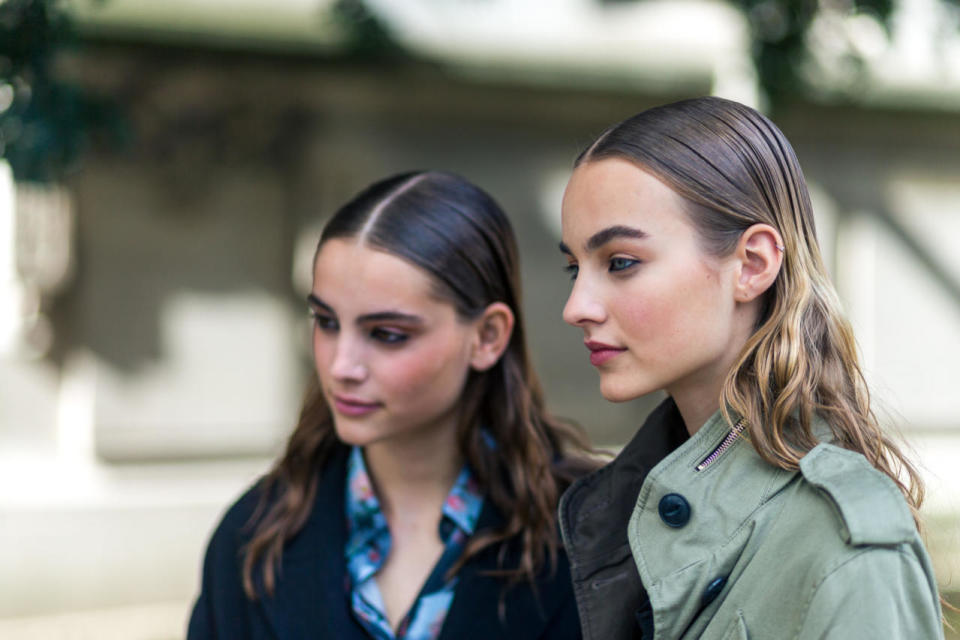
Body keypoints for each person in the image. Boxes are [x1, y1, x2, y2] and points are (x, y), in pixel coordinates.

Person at [556, 97, 943, 639]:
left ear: (752, 265)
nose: (577, 306)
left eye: (620, 262)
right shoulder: (619, 505)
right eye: (574, 267)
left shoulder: (847, 545)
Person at [188, 170, 593, 640]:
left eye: (387, 334)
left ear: (487, 337)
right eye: (326, 321)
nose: (342, 365)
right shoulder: (252, 536)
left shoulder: (589, 535)